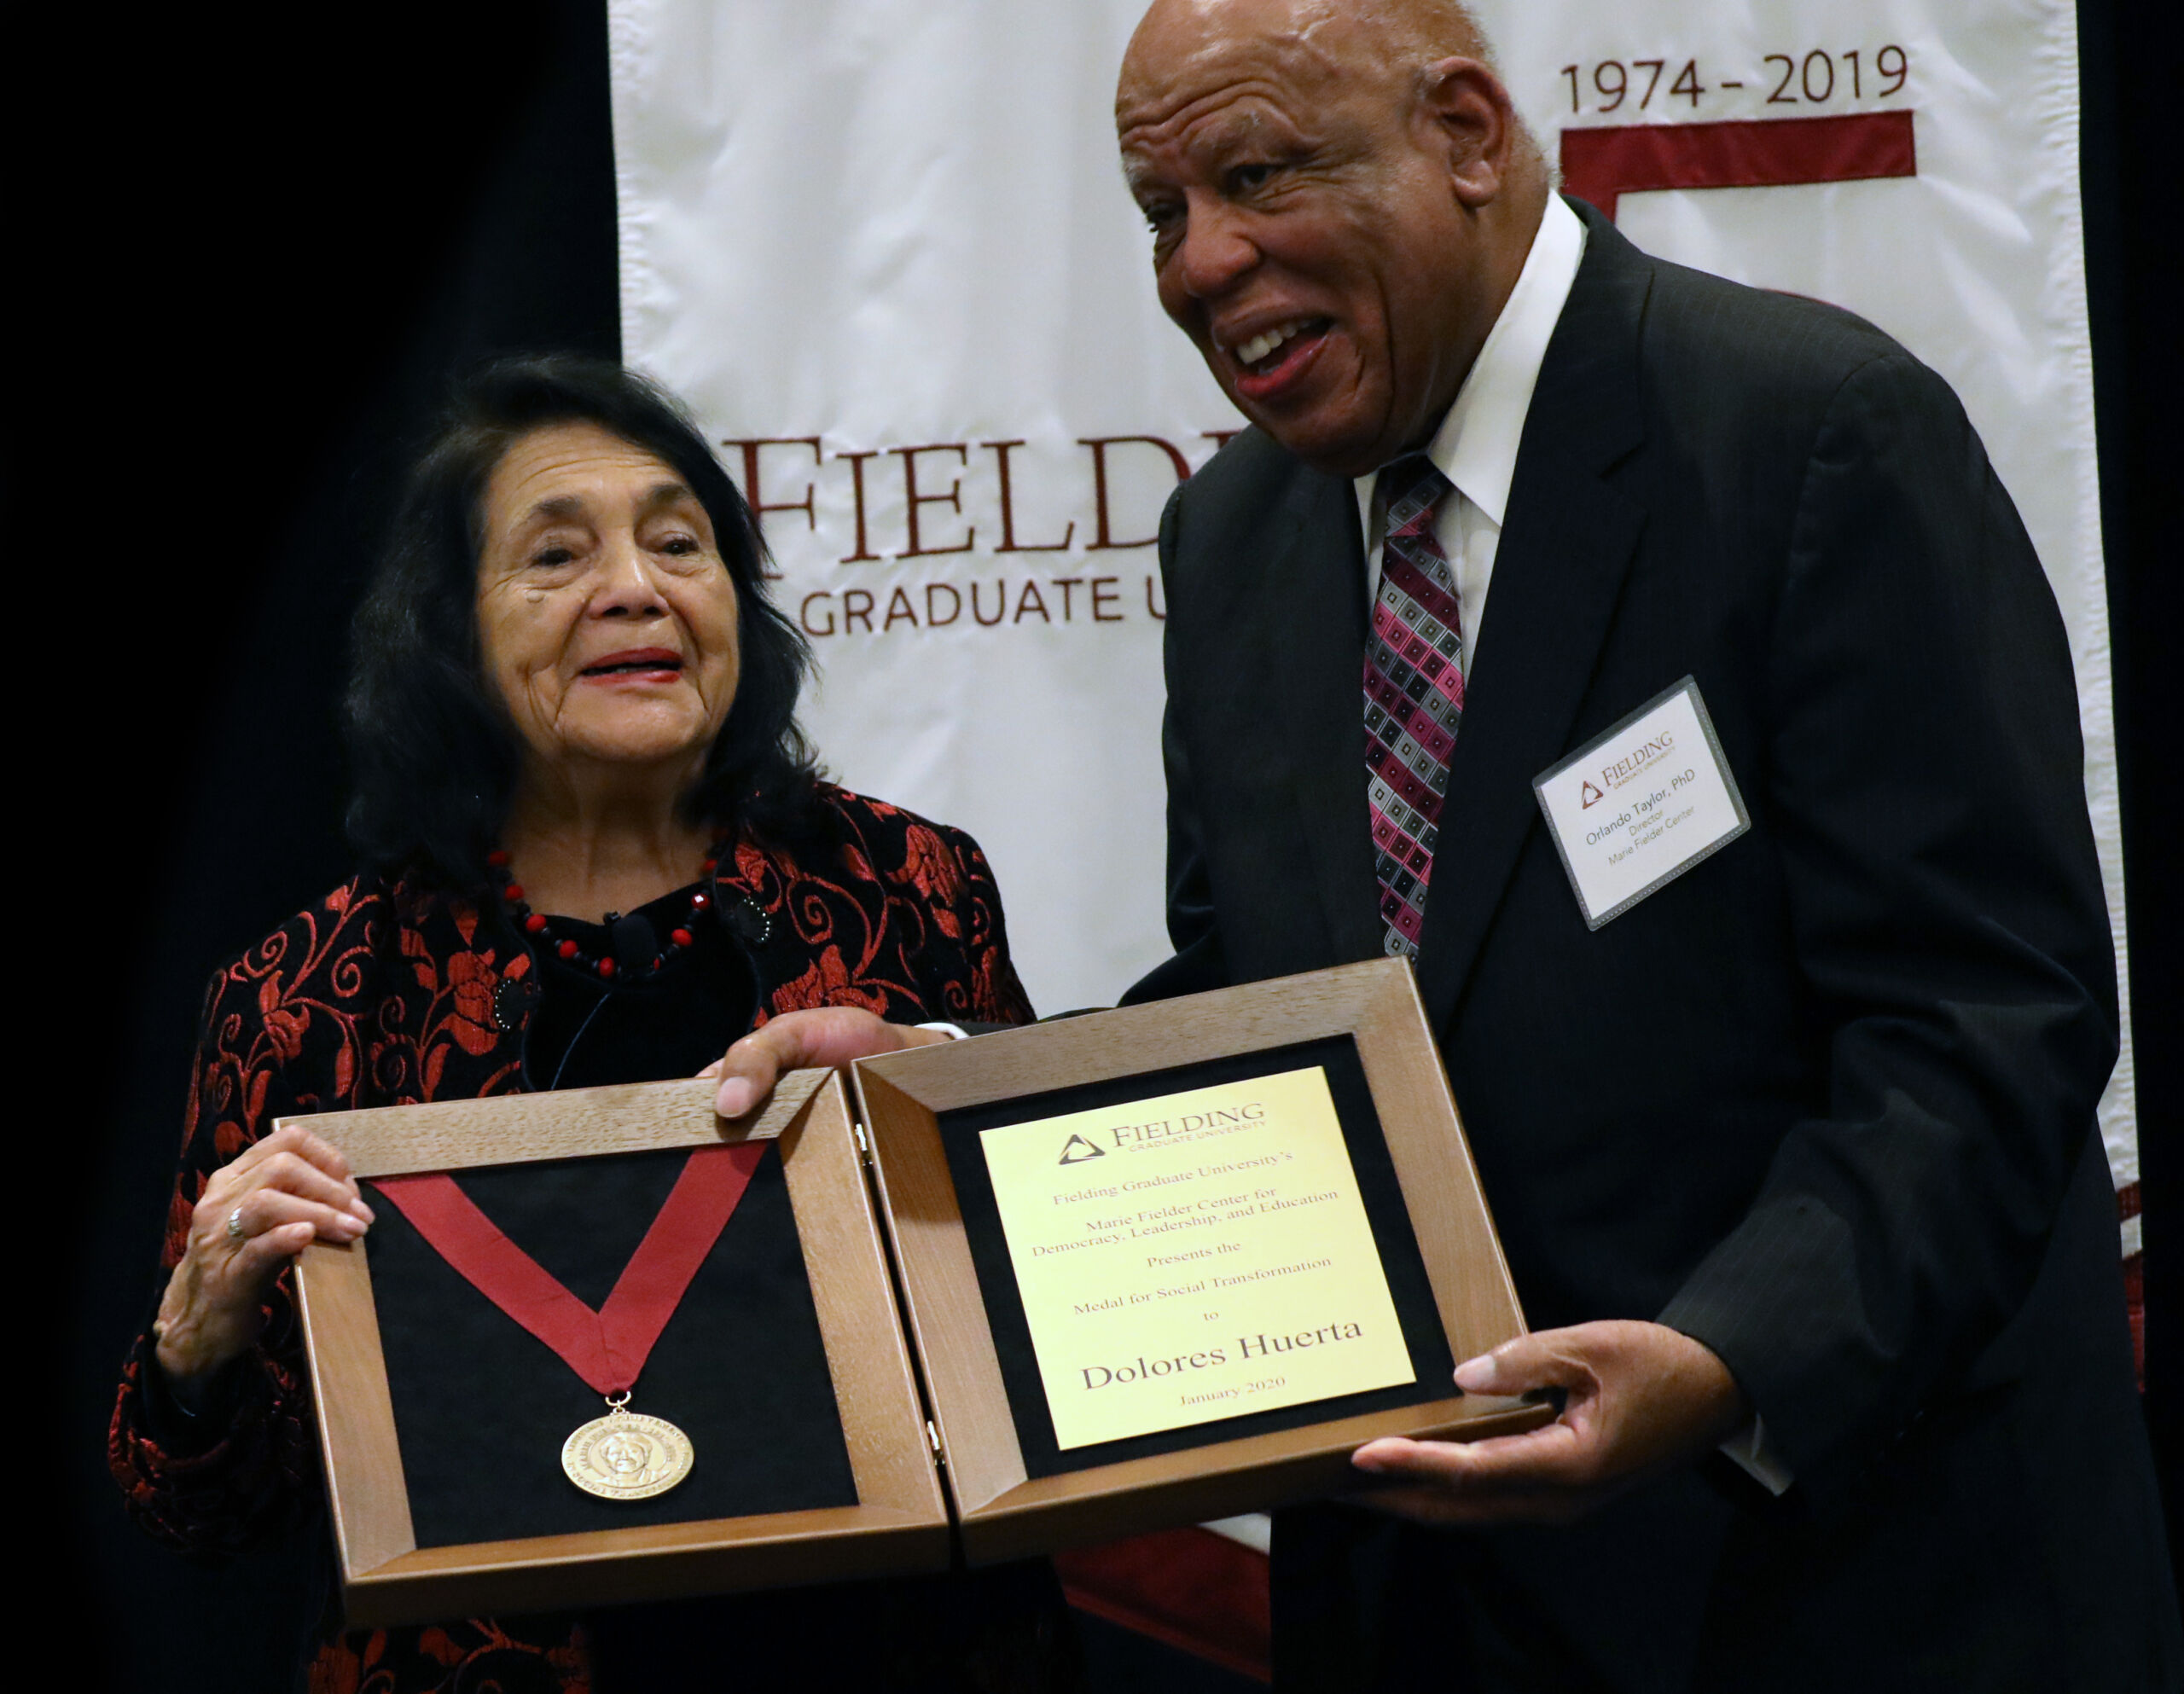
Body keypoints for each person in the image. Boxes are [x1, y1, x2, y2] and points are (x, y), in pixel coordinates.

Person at [724, 0, 2181, 1687]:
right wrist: (956, 1098)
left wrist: (1720, 1358)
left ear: (1468, 136)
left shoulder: (1803, 434)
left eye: (1255, 174)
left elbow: (1980, 1021)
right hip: (1427, 1600)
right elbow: (1264, 1004)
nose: (1202, 263)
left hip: (1841, 1574)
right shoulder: (1232, 535)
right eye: (1159, 214)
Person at [109, 356, 1072, 1693]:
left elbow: (1061, 1304)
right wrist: (196, 1344)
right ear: (449, 634)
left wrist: (950, 1119)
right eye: (557, 555)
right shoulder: (307, 991)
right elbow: (207, 1514)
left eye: (680, 542)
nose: (638, 586)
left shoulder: (909, 890)